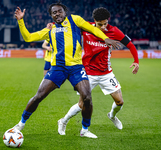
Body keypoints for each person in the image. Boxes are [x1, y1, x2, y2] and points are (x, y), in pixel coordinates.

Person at [13, 2, 120, 139]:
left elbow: (92, 29)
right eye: (54, 13)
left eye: (59, 11)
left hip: (76, 67)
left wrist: (106, 38)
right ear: (51, 16)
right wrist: (21, 21)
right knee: (39, 96)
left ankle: (85, 130)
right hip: (58, 68)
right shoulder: (49, 30)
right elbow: (28, 37)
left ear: (65, 12)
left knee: (87, 97)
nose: (57, 14)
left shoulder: (75, 20)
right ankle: (20, 124)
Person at [58, 7, 139, 135]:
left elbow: (130, 45)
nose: (102, 27)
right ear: (94, 20)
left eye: (105, 24)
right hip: (88, 73)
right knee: (82, 103)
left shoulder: (114, 31)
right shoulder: (86, 28)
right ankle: (63, 121)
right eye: (99, 24)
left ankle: (112, 116)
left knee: (120, 101)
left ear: (108, 21)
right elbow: (66, 28)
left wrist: (136, 61)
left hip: (106, 73)